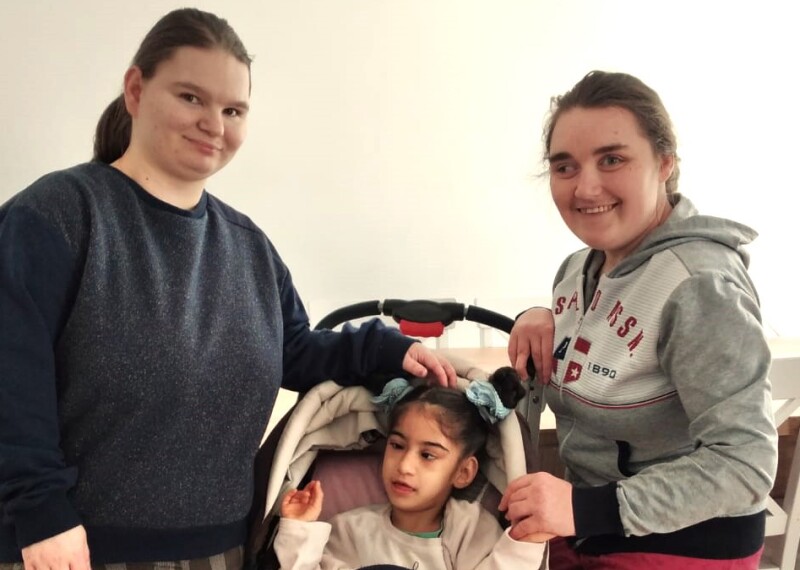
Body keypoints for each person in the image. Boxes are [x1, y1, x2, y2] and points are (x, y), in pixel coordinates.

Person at [0, 8, 458, 569]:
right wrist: (42, 514)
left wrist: (386, 349)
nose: (214, 124)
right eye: (191, 97)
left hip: (220, 551)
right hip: (69, 548)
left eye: (232, 109)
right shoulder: (56, 216)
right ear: (136, 90)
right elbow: (11, 380)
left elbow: (294, 352)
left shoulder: (250, 248)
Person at [501, 70, 778, 569]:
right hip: (588, 522)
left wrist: (587, 509)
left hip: (680, 542)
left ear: (665, 162)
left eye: (612, 159)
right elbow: (606, 336)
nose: (585, 186)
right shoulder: (577, 268)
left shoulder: (699, 285)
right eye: (565, 166)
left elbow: (745, 465)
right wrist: (539, 316)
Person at [273, 367, 550, 569]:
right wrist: (298, 528)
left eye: (427, 455)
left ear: (463, 472)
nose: (404, 466)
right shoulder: (349, 530)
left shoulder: (468, 529)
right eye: (397, 446)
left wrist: (525, 542)